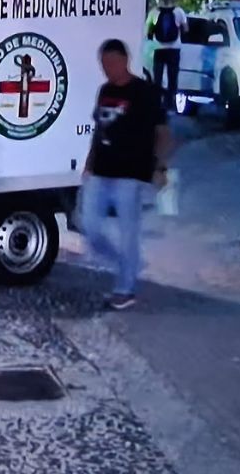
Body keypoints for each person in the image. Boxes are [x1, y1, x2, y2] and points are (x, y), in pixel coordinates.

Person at [81, 39, 172, 310]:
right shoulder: (105, 90)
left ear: (125, 60)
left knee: (128, 232)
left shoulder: (145, 92)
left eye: (111, 63)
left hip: (131, 174)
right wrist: (89, 162)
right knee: (90, 227)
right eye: (103, 64)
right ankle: (126, 264)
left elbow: (162, 133)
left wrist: (160, 167)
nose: (107, 68)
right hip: (101, 169)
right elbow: (100, 129)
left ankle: (125, 288)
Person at [148, 0, 187, 111]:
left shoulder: (154, 12)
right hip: (174, 49)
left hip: (158, 48)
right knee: (173, 77)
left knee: (157, 78)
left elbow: (149, 30)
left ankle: (156, 102)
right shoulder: (179, 11)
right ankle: (170, 103)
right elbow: (186, 29)